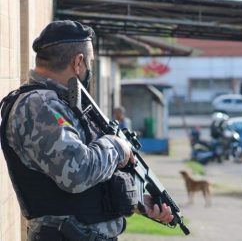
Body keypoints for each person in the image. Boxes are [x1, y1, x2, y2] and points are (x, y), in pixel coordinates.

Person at [0, 20, 173, 241]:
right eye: (90, 61)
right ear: (78, 62)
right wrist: (117, 145)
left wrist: (137, 200)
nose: (89, 67)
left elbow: (83, 186)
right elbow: (77, 171)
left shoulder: (61, 104)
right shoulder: (40, 105)